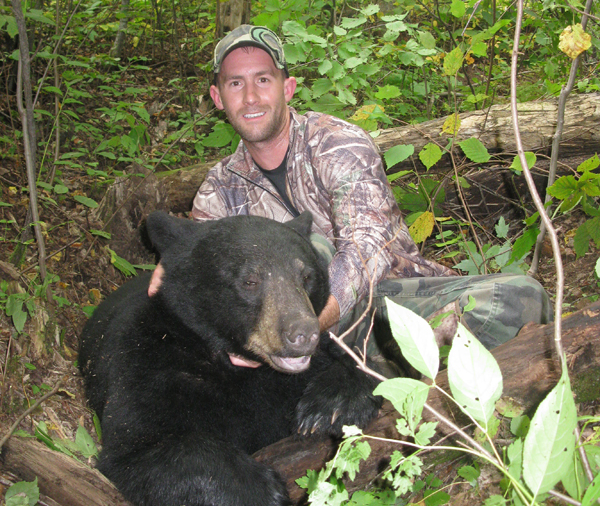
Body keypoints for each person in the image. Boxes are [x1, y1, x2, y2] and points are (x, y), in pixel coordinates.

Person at [150, 24, 552, 373]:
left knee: (518, 298)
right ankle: (375, 376)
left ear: (287, 88)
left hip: (385, 304)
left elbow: (367, 247)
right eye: (236, 83)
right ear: (218, 97)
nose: (251, 97)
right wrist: (173, 268)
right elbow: (204, 281)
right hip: (283, 332)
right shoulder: (219, 188)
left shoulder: (336, 143)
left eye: (263, 79)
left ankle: (381, 371)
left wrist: (312, 322)